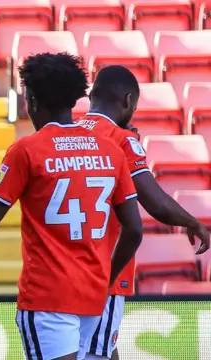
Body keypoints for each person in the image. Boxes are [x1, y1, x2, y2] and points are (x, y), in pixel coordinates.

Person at [0, 53, 144, 360]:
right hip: (94, 298)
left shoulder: (27, 150)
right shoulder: (110, 149)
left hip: (48, 297)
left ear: (34, 101)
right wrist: (104, 279)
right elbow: (134, 230)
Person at [78, 65, 210, 360]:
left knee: (101, 349)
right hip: (105, 267)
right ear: (127, 101)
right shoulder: (122, 140)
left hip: (68, 269)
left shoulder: (67, 135)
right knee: (95, 353)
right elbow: (155, 203)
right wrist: (191, 222)